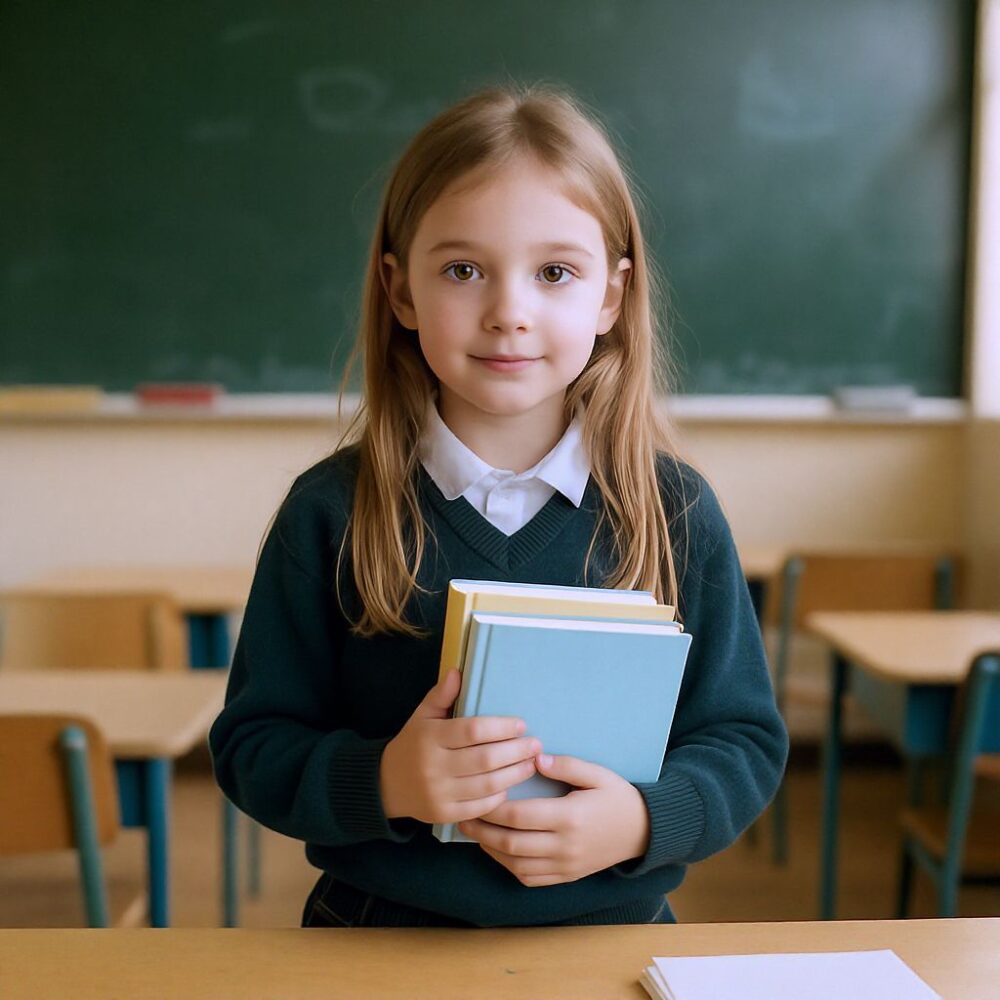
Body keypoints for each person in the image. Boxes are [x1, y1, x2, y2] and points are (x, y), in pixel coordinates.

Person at [209, 84, 787, 928]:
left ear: (610, 299)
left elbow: (742, 741)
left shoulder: (673, 511)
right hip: (372, 943)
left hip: (607, 944)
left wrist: (640, 821)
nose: (509, 312)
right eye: (463, 270)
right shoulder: (331, 512)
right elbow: (254, 746)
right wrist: (386, 780)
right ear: (401, 292)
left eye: (555, 272)